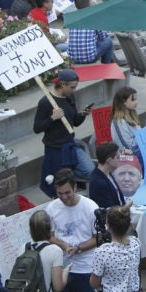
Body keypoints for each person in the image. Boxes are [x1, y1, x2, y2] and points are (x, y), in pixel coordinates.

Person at [34, 69, 93, 197]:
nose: (74, 90)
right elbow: (37, 128)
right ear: (62, 85)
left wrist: (82, 114)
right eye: (72, 87)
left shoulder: (69, 97)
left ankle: (73, 181)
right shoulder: (45, 102)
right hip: (55, 149)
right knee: (61, 184)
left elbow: (75, 122)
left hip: (70, 144)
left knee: (90, 171)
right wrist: (52, 118)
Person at [110, 87, 143, 161]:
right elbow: (128, 145)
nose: (136, 102)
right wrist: (144, 134)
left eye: (136, 99)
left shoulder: (131, 115)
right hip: (131, 160)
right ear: (123, 102)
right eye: (132, 100)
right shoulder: (119, 121)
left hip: (138, 156)